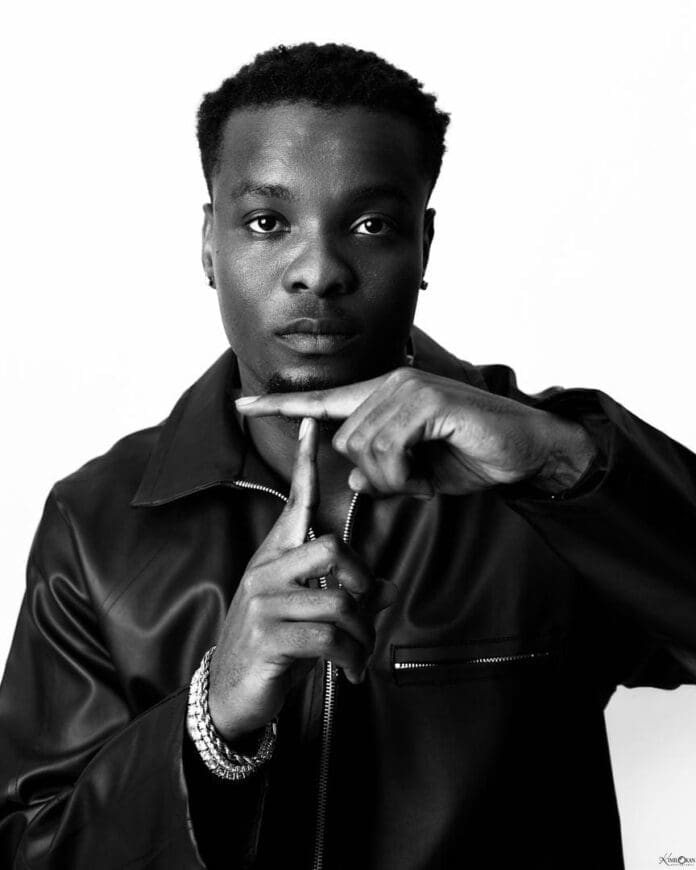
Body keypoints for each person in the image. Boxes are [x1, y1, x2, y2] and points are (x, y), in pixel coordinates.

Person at [1, 41, 694, 870]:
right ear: (208, 244)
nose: (320, 270)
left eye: (371, 224)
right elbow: (29, 849)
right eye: (267, 222)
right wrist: (211, 720)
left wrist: (557, 465)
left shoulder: (550, 478)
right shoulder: (98, 519)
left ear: (424, 246)